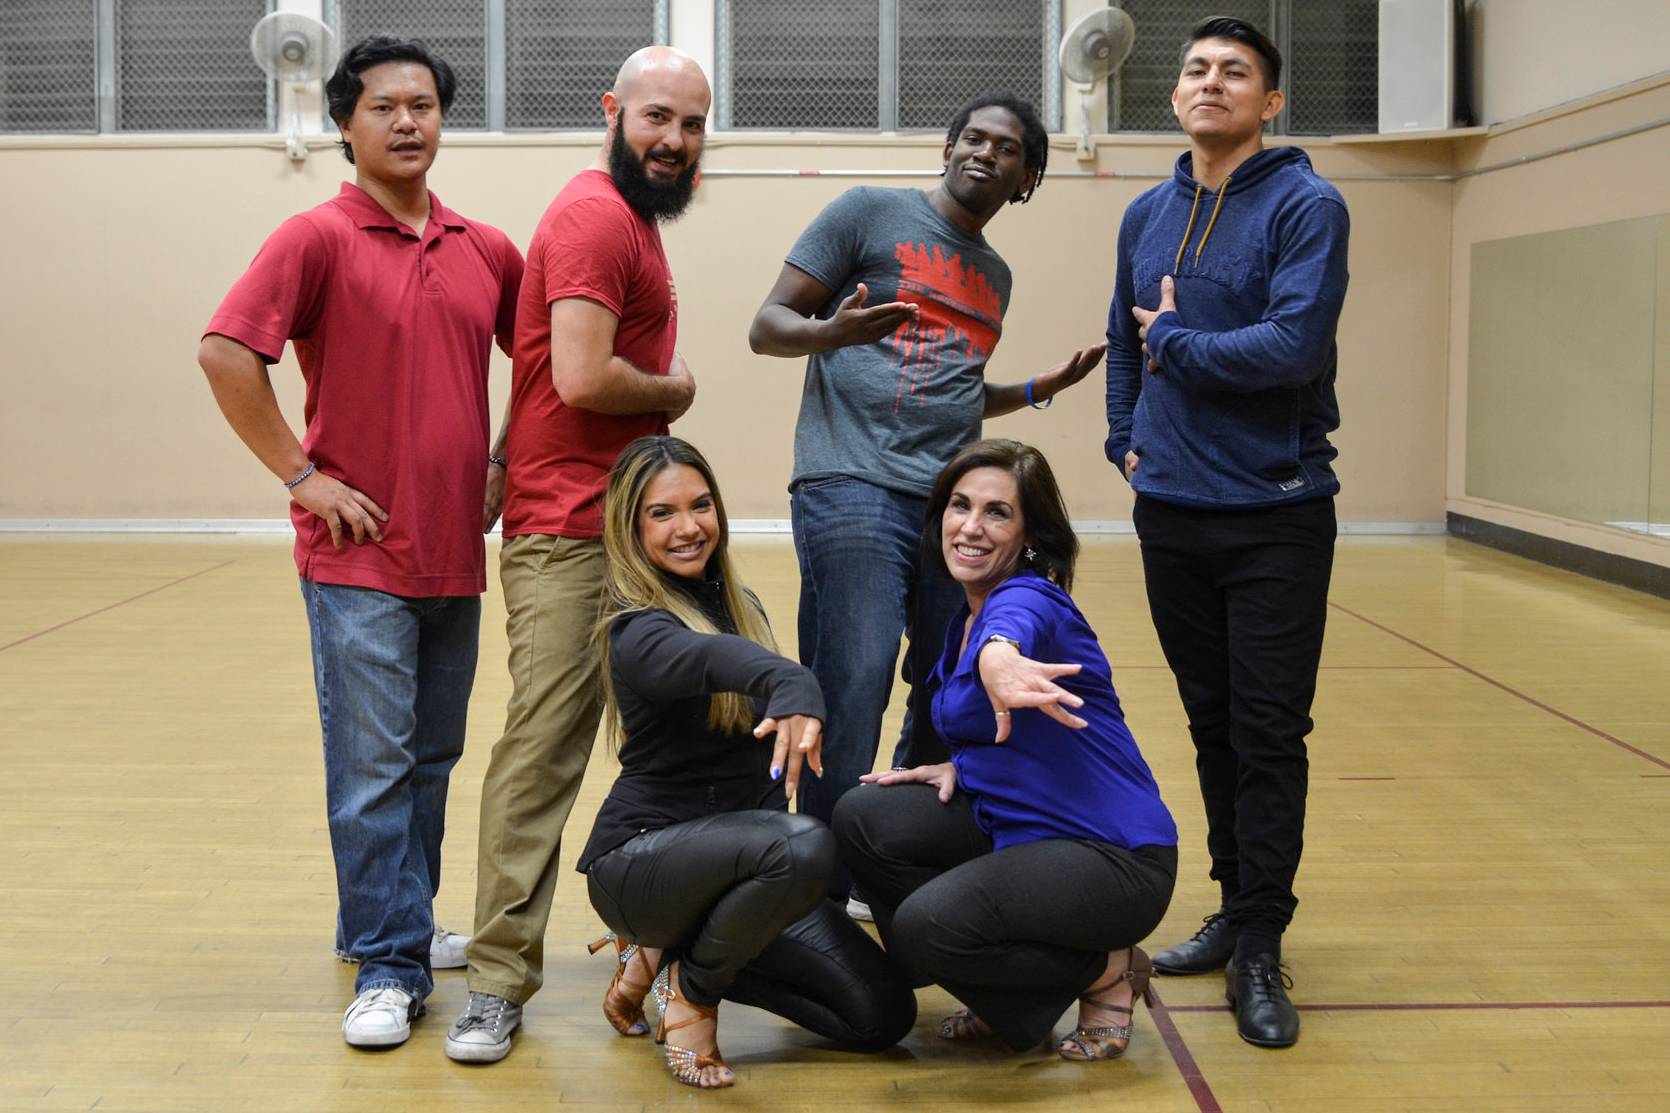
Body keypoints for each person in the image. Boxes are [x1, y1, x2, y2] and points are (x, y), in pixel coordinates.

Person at [197, 36, 523, 1048]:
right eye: (383, 107)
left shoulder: (484, 247)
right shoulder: (314, 237)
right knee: (373, 765)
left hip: (451, 556)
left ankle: (391, 924)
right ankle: (388, 965)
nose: (407, 122)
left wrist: (504, 460)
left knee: (429, 757)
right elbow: (223, 351)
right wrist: (302, 476)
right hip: (356, 560)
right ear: (345, 125)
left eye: (423, 105)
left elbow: (549, 360)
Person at [747, 94, 1105, 902]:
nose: (986, 152)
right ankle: (816, 874)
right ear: (947, 148)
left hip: (948, 503)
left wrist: (1040, 387)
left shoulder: (995, 275)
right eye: (973, 137)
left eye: (1008, 148)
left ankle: (888, 845)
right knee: (858, 672)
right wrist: (832, 333)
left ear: (1027, 177)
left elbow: (959, 389)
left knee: (947, 685)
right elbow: (767, 326)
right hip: (850, 478)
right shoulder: (869, 212)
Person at [446, 46, 709, 1064]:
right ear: (612, 110)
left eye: (689, 126)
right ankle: (498, 981)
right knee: (544, 752)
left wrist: (505, 453)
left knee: (687, 742)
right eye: (655, 118)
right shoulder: (600, 215)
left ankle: (665, 950)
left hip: (631, 528)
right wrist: (674, 392)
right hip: (571, 535)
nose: (673, 141)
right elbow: (588, 376)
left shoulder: (623, 215)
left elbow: (539, 374)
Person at [1104, 16, 1350, 1050]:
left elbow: (1292, 344)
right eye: (1196, 70)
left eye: (1233, 72)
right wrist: (1123, 438)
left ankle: (1259, 943)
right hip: (1171, 513)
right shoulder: (1144, 214)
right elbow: (1124, 337)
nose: (1210, 83)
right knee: (1210, 727)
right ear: (1174, 96)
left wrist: (1181, 347)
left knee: (1266, 733)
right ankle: (1231, 903)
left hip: (1276, 514)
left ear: (1269, 100)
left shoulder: (1306, 204)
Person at [576, 435, 917, 1089]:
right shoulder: (638, 630)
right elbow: (722, 663)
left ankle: (675, 949)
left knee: (881, 1015)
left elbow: (747, 672)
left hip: (741, 871)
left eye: (700, 505)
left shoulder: (742, 606)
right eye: (662, 513)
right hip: (640, 864)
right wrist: (794, 687)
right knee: (805, 844)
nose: (689, 526)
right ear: (629, 526)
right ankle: (693, 994)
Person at [833, 439, 1177, 1058]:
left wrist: (998, 657)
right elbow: (994, 722)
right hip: (1022, 829)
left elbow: (1008, 635)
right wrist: (959, 766)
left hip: (1114, 857)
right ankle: (1010, 1003)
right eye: (959, 505)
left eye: (997, 512)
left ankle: (1105, 971)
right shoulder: (960, 619)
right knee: (862, 816)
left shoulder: (1027, 599)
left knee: (923, 925)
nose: (971, 526)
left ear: (1029, 534)